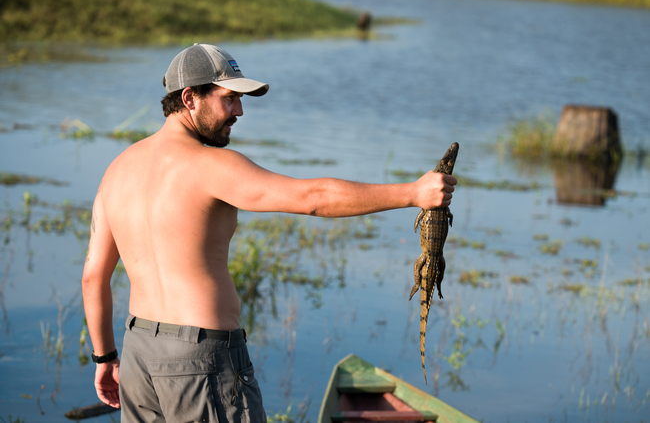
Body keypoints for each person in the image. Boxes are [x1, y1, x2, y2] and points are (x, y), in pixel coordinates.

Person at [81, 43, 457, 422]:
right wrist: (413, 193)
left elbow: (93, 277)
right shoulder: (210, 166)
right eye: (229, 99)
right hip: (201, 360)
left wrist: (105, 357)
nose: (240, 111)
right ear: (189, 98)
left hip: (138, 354)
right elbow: (312, 198)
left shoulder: (117, 170)